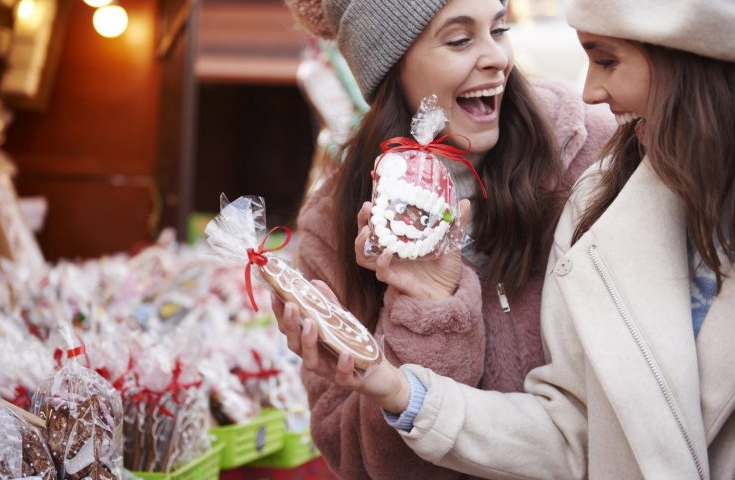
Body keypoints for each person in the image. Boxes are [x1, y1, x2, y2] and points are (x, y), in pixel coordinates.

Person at [282, 0, 735, 478]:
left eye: (499, 29)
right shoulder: (336, 223)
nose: (497, 57)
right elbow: (359, 461)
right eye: (459, 39)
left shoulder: (595, 156)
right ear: (389, 66)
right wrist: (426, 322)